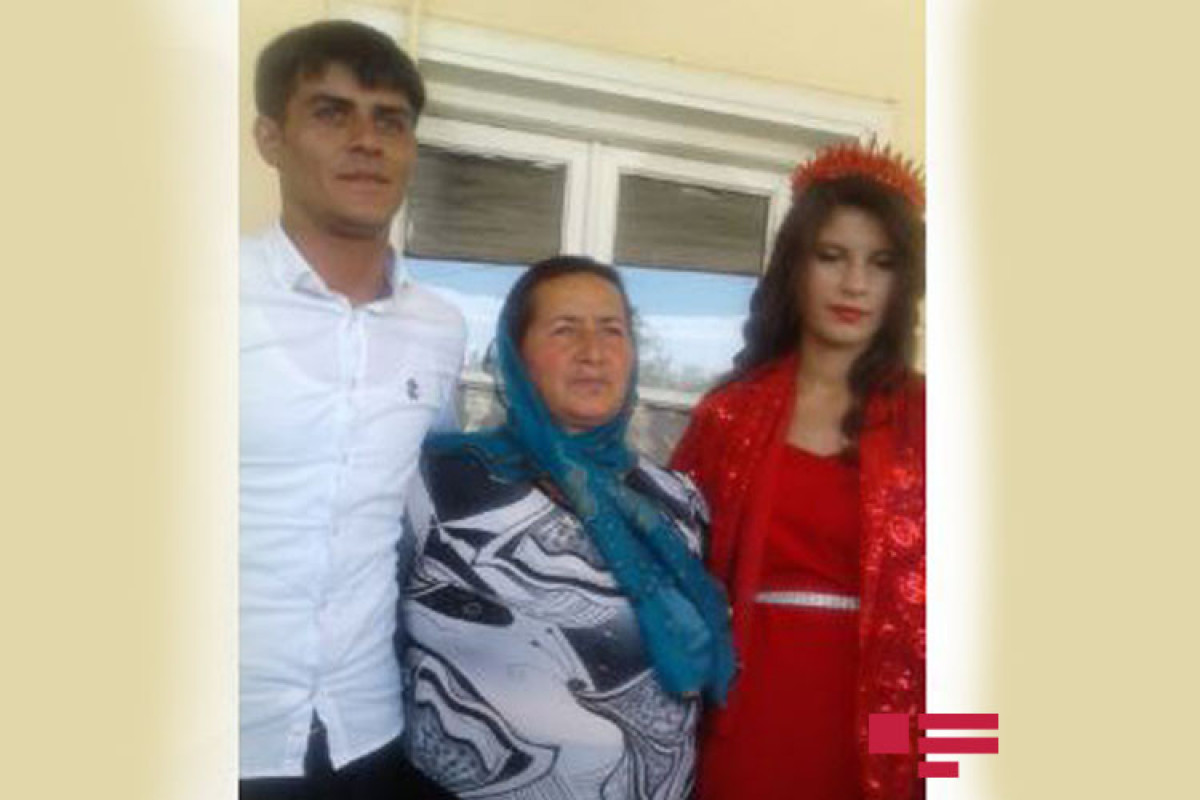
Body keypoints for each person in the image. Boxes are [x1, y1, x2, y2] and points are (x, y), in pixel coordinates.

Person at [398, 256, 737, 799]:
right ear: (516, 352)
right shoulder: (439, 482)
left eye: (612, 330)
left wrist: (890, 740)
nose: (593, 352)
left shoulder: (678, 501)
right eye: (564, 329)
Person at [240, 20, 465, 799]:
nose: (367, 140)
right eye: (331, 113)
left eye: (390, 121)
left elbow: (424, 508)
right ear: (270, 138)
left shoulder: (440, 329)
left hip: (365, 732)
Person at [671, 142, 926, 800]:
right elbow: (667, 574)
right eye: (831, 256)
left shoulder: (937, 420)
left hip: (890, 718)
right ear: (795, 267)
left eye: (881, 263)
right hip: (745, 706)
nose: (855, 284)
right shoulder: (728, 416)